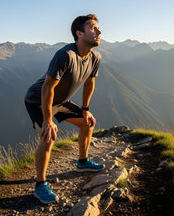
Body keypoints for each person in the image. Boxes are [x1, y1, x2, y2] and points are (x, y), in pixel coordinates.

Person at [24, 14, 103, 204]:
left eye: (98, 28)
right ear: (79, 33)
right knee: (48, 136)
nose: (99, 31)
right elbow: (47, 88)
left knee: (88, 123)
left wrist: (85, 109)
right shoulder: (65, 55)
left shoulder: (95, 57)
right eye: (92, 28)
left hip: (60, 101)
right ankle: (40, 185)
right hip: (38, 101)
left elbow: (90, 83)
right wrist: (47, 120)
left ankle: (82, 163)